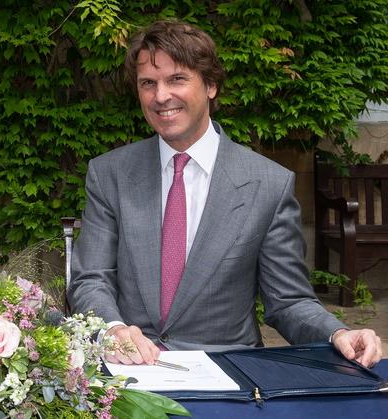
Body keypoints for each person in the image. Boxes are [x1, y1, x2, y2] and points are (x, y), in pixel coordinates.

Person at [67, 20, 382, 368]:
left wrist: (337, 334)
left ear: (211, 85)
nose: (160, 96)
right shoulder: (110, 174)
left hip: (231, 377)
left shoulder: (268, 184)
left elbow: (288, 301)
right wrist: (112, 330)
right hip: (129, 374)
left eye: (177, 79)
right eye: (148, 83)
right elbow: (90, 279)